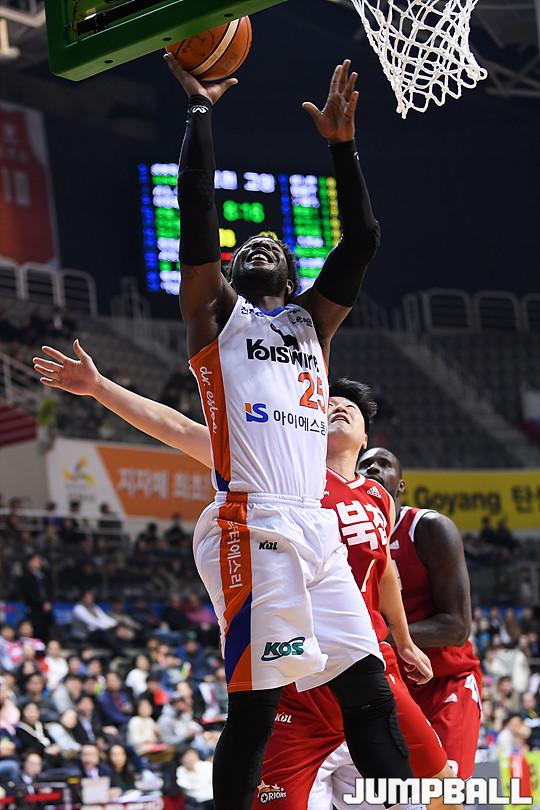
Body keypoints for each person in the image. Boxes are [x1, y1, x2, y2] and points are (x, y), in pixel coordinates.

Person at [35, 56, 414, 809]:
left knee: (370, 697)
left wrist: (342, 147)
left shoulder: (313, 324)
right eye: (248, 247)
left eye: (276, 243)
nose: (261, 243)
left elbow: (364, 238)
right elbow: (198, 205)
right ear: (233, 270)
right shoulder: (214, 317)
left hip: (316, 529)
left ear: (295, 272)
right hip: (251, 524)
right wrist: (200, 110)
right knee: (256, 708)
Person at [357, 447, 482, 779]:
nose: (373, 469)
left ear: (400, 485)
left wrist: (385, 636)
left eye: (384, 464)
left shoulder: (429, 528)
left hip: (444, 681)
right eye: (365, 465)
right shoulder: (348, 534)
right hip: (388, 683)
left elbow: (457, 628)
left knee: (444, 791)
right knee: (392, 795)